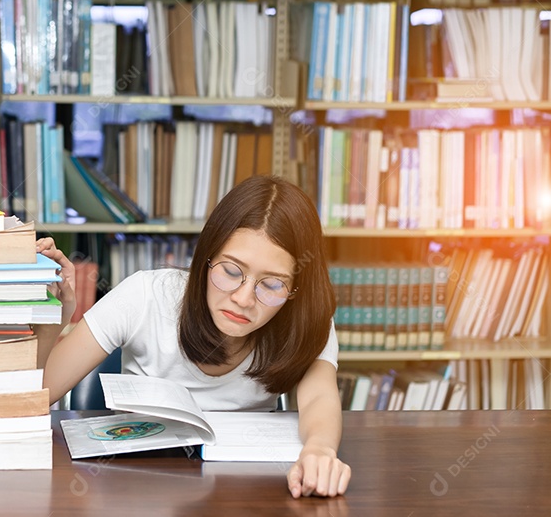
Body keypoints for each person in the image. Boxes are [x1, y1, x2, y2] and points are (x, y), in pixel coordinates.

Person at [34, 174, 351, 498]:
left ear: (295, 290)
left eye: (271, 285)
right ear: (206, 257)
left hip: (242, 492)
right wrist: (54, 319)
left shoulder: (305, 320)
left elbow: (319, 398)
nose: (243, 299)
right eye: (230, 271)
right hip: (137, 487)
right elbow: (38, 394)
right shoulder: (145, 295)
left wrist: (321, 450)